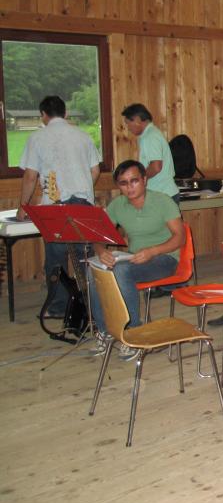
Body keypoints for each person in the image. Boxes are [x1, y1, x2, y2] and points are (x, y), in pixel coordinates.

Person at [89, 160, 185, 361]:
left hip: (165, 258)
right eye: (123, 183)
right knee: (94, 269)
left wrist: (153, 251)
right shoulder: (117, 205)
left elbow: (179, 238)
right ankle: (105, 331)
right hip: (134, 258)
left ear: (144, 180)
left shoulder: (163, 201)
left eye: (134, 181)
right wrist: (101, 251)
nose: (129, 187)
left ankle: (134, 333)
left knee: (121, 271)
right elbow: (98, 237)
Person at [17, 95, 101, 318]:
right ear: (65, 113)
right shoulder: (83, 136)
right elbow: (95, 171)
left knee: (56, 260)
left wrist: (23, 206)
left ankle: (58, 308)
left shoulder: (37, 137)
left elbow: (30, 176)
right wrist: (82, 188)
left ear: (43, 115)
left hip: (54, 207)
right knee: (86, 258)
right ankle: (93, 304)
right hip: (83, 205)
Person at [121, 103, 180, 202]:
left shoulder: (151, 136)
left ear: (137, 120)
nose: (128, 128)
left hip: (161, 195)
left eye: (128, 123)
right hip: (161, 194)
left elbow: (156, 167)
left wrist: (138, 179)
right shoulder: (148, 135)